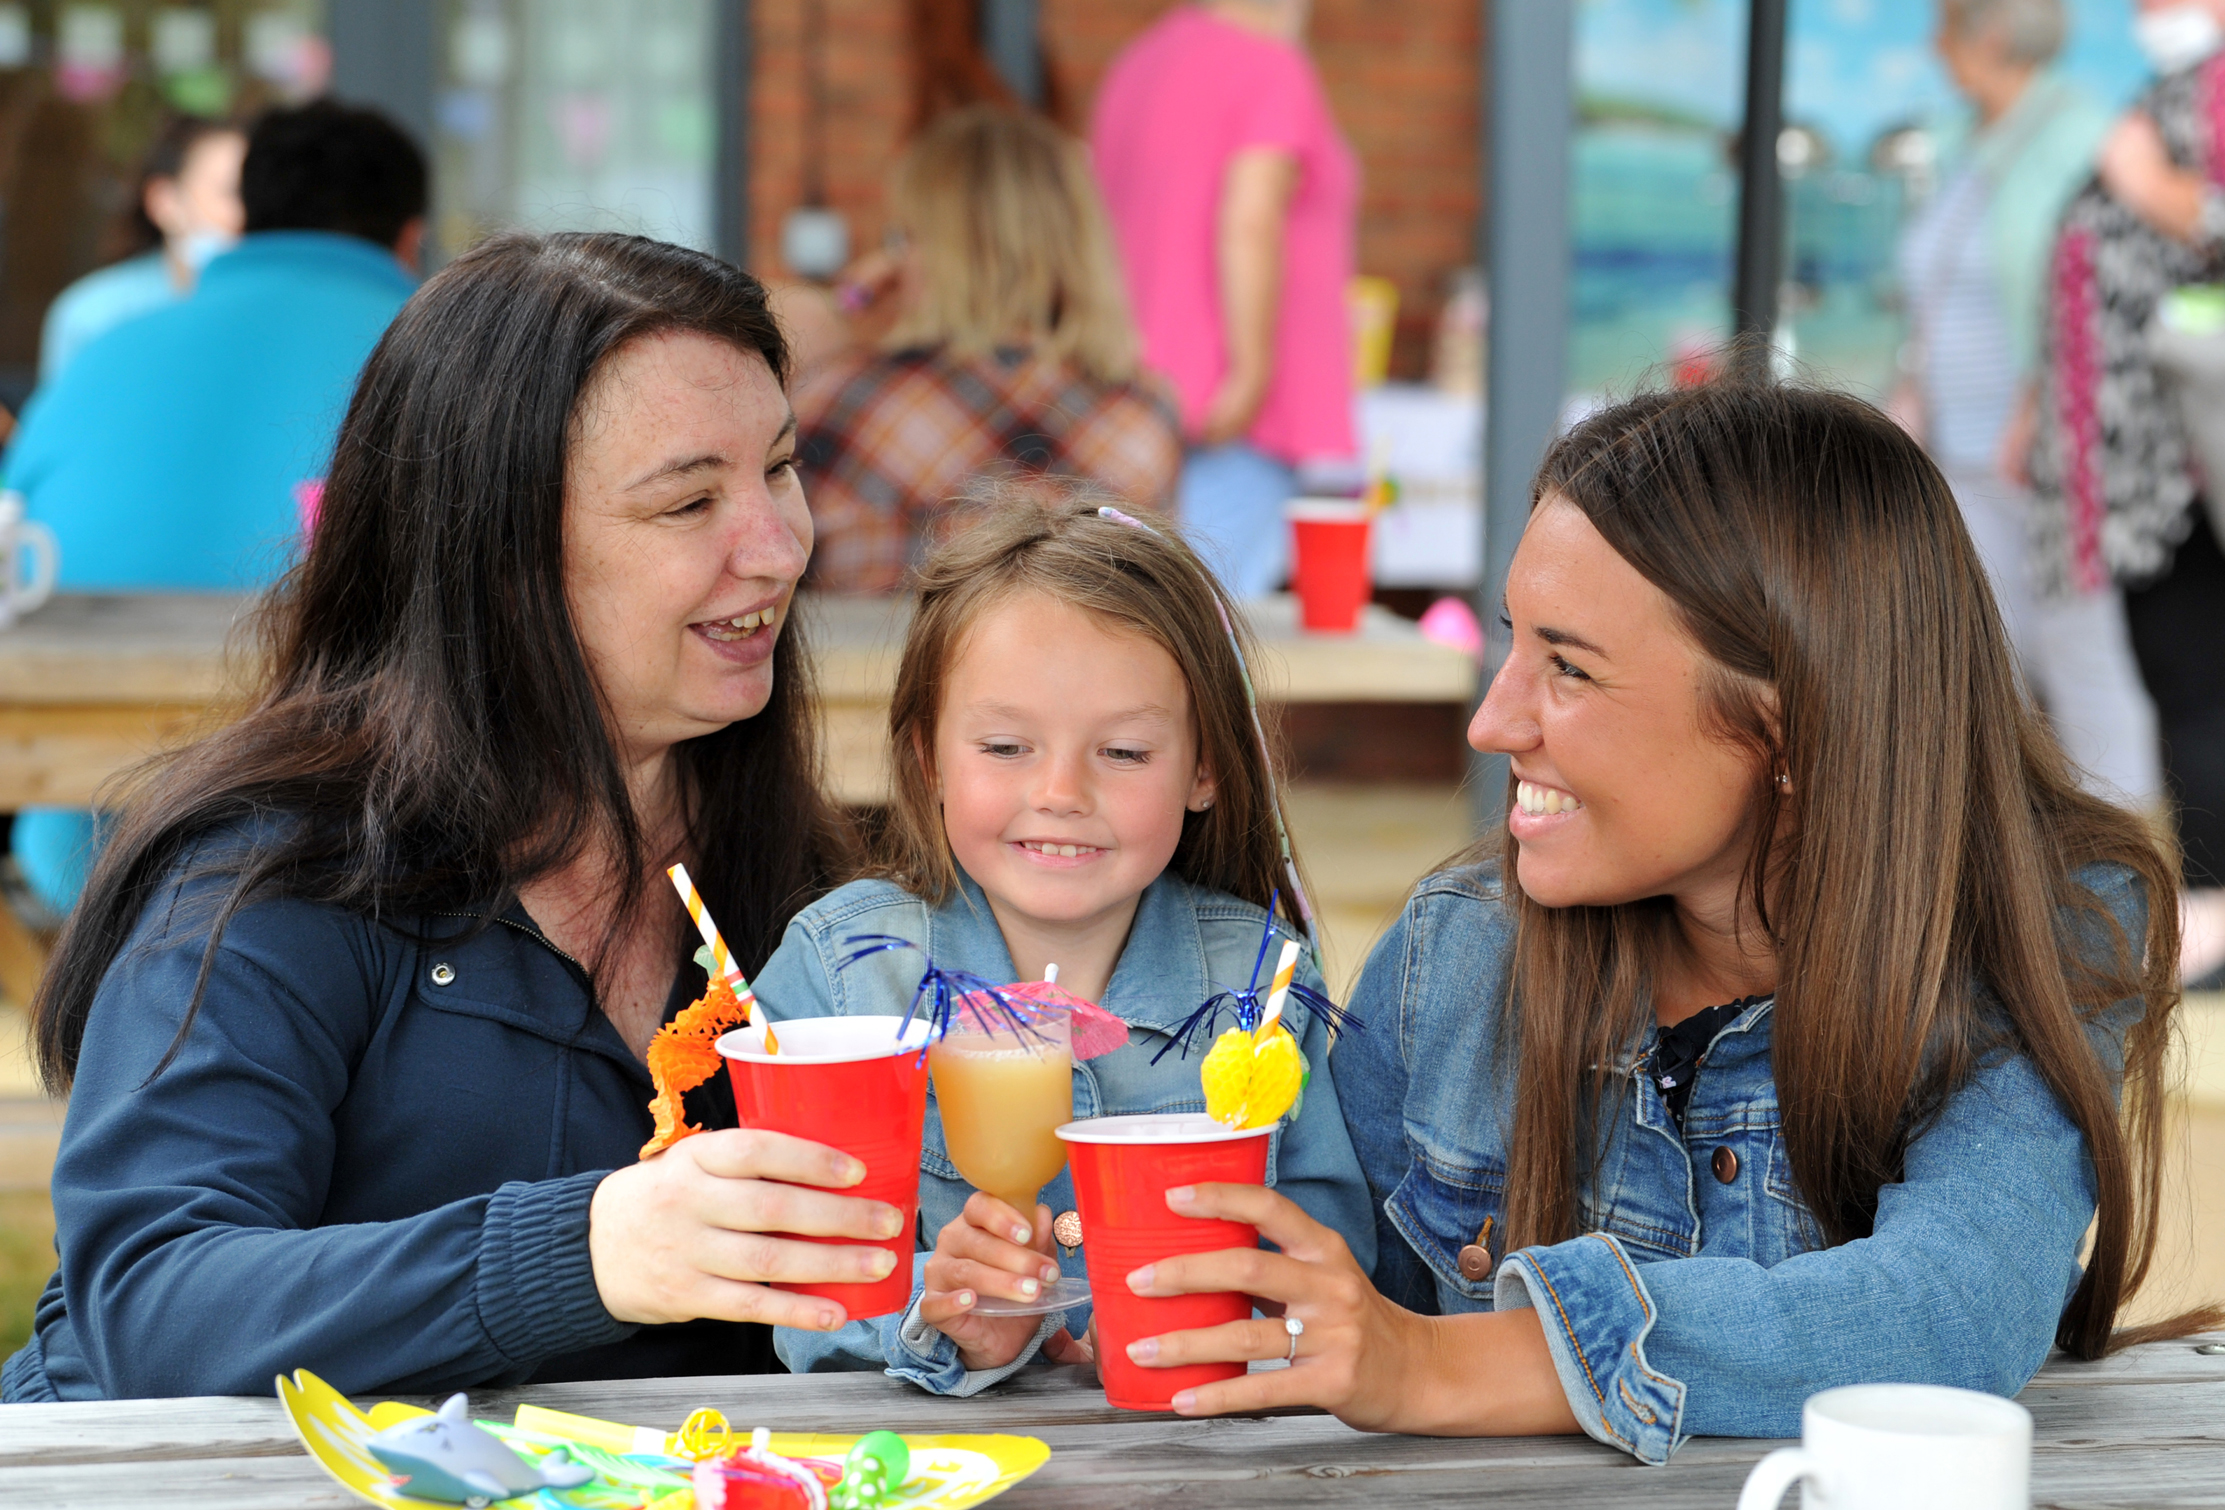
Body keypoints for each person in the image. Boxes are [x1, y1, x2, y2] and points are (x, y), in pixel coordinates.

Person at [1096, 382, 2218, 1461]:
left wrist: (1438, 1367)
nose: (1493, 720)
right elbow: (1316, 1311)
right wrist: (1027, 1303)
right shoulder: (1456, 949)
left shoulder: (2039, 931)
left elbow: (1947, 1306)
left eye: (1568, 669)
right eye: (1511, 642)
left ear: (1785, 725)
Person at [1, 232, 908, 1402]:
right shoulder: (276, 874)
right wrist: (585, 1251)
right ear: (500, 554)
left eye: (779, 468)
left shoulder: (806, 892)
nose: (779, 546)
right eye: (689, 501)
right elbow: (153, 1299)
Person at [761, 489, 1371, 1392]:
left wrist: (1240, 1321)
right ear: (929, 755)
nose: (1061, 792)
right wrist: (939, 1306)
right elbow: (796, 1294)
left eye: (1123, 753)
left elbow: (1334, 1262)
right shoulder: (841, 976)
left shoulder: (1263, 984)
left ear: (1205, 767)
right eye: (1006, 747)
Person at [4, 99, 424, 920]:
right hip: (364, 860)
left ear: (244, 214)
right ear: (409, 235)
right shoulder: (443, 357)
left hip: (91, 850)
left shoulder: (109, 349)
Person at [2022, 0, 2225, 987]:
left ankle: (2209, 916)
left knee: (2191, 680)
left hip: (2184, 455)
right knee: (2190, 680)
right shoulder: (2195, 82)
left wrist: (2146, 182)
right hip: (2139, 447)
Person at [1897, 0, 2159, 810]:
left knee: (2081, 654)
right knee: (1981, 659)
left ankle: (2134, 879)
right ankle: (2003, 866)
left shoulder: (2079, 135)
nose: (1934, 49)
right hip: (1957, 451)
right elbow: (1935, 297)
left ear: (1994, 39)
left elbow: (2090, 290)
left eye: (1945, 31)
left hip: (2044, 446)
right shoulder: (1965, 145)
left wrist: (2036, 402)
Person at [792, 108, 1179, 593]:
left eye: (903, 237)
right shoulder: (1145, 408)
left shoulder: (843, 402)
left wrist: (842, 310)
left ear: (937, 250)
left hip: (887, 670)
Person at [1090, 0, 1359, 599]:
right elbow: (1250, 217)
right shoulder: (1270, 66)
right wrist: (1250, 372)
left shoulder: (1136, 64)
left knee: (1149, 614)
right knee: (1207, 637)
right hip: (1236, 414)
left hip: (1139, 401)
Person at [39, 115, 247, 382]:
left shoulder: (290, 315)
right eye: (231, 192)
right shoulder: (97, 317)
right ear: (165, 201)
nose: (247, 215)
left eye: (257, 195)